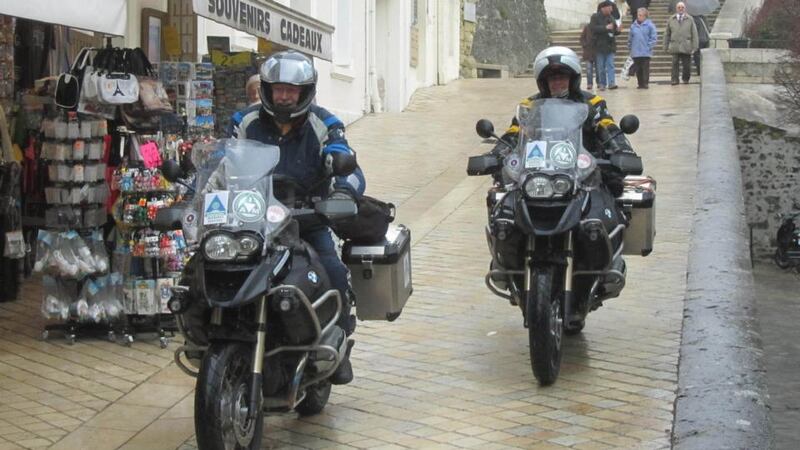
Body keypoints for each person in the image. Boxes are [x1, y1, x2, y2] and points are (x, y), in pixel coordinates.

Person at [233, 50, 367, 385]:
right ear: (266, 88)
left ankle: (338, 344)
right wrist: (196, 183)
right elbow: (223, 157)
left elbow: (344, 159)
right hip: (255, 220)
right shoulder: (245, 122)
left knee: (333, 269)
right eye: (278, 88)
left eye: (291, 90)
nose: (284, 95)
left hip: (307, 219)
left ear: (305, 91)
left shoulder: (325, 124)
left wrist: (341, 191)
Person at [490, 46, 641, 197]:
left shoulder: (593, 102)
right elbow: (513, 133)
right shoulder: (529, 106)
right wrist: (496, 153)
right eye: (552, 78)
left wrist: (622, 150)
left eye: (562, 77)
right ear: (543, 82)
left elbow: (609, 128)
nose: (557, 83)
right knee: (503, 200)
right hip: (536, 170)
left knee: (612, 190)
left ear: (573, 79)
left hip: (585, 169)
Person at [664, 2, 699, 85]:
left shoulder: (690, 19)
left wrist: (695, 46)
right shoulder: (671, 19)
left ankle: (685, 78)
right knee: (674, 64)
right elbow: (667, 34)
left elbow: (694, 33)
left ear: (685, 8)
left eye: (682, 7)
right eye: (679, 7)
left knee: (687, 65)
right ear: (676, 9)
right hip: (675, 45)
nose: (680, 9)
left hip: (686, 45)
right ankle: (674, 79)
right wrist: (665, 45)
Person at [590, 0, 621, 91]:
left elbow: (613, 31)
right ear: (604, 8)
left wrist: (618, 31)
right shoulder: (595, 17)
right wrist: (605, 28)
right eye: (610, 7)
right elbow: (592, 29)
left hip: (610, 45)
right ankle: (602, 83)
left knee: (611, 65)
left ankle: (611, 83)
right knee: (601, 67)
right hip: (599, 46)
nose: (611, 9)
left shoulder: (611, 17)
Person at [628, 7, 658, 89]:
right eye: (638, 15)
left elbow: (654, 38)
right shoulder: (633, 26)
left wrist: (649, 46)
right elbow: (630, 38)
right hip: (636, 51)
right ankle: (640, 83)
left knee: (645, 68)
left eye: (641, 15)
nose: (639, 17)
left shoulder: (650, 25)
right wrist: (630, 48)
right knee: (638, 69)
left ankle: (645, 83)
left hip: (645, 52)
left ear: (645, 16)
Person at [579, 23, 599, 90]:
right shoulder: (587, 27)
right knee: (588, 69)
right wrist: (585, 45)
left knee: (598, 69)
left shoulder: (599, 28)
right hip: (588, 52)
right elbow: (582, 38)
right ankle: (589, 84)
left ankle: (599, 83)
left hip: (597, 52)